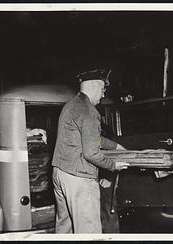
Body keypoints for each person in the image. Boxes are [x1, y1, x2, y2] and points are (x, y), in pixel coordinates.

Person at [51, 69, 129, 233]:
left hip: (60, 173)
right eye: (102, 90)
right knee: (89, 231)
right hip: (79, 178)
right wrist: (114, 165)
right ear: (95, 85)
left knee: (65, 229)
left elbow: (89, 138)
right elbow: (91, 153)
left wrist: (114, 146)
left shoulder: (70, 105)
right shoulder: (89, 111)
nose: (102, 96)